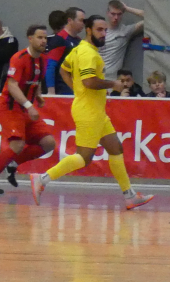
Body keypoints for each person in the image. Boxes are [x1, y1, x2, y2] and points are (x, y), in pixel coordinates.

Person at [30, 15, 153, 210]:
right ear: (88, 30)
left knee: (116, 148)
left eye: (105, 30)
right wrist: (112, 84)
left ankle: (129, 196)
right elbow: (88, 81)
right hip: (89, 111)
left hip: (94, 110)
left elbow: (64, 70)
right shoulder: (88, 54)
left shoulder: (79, 48)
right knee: (84, 158)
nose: (104, 34)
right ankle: (42, 179)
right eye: (99, 30)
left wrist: (77, 90)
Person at [0, 25, 55, 196]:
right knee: (17, 144)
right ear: (30, 39)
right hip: (11, 106)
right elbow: (12, 85)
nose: (43, 41)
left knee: (48, 143)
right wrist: (29, 105)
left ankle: (12, 164)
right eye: (40, 37)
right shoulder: (19, 58)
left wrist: (38, 95)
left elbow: (36, 80)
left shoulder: (43, 59)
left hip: (26, 108)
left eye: (45, 38)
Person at [101, 0, 145, 76]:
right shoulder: (98, 31)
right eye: (113, 14)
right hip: (96, 77)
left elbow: (150, 16)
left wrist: (127, 8)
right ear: (108, 13)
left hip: (113, 78)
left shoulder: (125, 31)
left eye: (119, 14)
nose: (116, 17)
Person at [46, 7, 84, 96]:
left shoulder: (79, 41)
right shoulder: (60, 39)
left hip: (75, 89)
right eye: (81, 20)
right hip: (62, 91)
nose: (83, 23)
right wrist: (51, 91)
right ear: (70, 20)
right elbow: (51, 66)